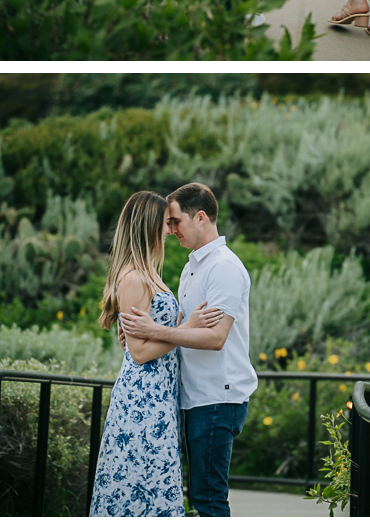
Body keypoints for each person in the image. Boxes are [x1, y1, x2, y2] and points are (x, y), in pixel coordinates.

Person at [120, 183, 257, 518]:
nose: (171, 230)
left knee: (208, 499)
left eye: (176, 221)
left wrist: (155, 330)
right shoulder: (192, 266)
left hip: (216, 398)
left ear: (200, 218)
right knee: (197, 497)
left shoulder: (223, 266)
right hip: (192, 397)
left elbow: (215, 338)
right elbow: (183, 325)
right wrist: (142, 336)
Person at [89, 191, 222, 517]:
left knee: (155, 485)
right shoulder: (134, 277)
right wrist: (187, 328)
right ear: (148, 225)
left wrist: (176, 327)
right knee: (140, 484)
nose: (170, 230)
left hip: (159, 396)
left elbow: (151, 331)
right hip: (142, 400)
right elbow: (138, 353)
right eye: (165, 223)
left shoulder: (149, 272)